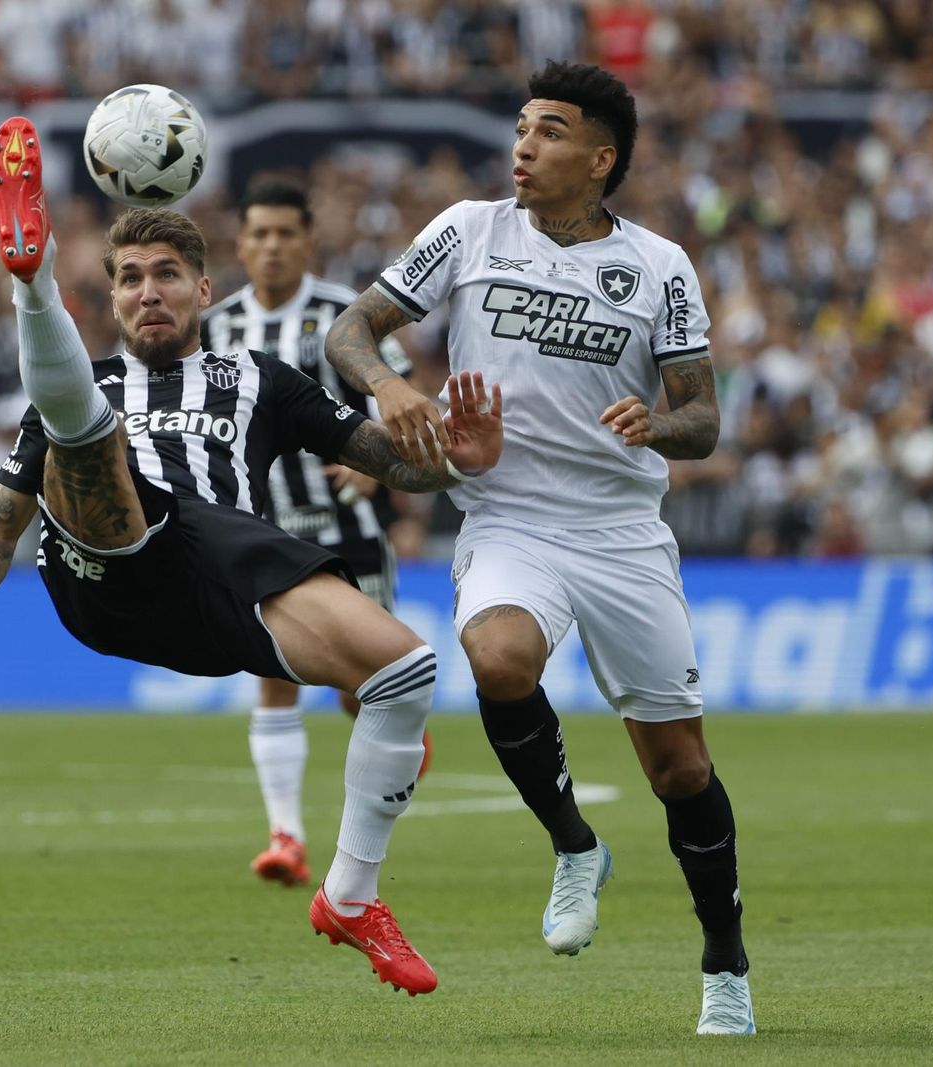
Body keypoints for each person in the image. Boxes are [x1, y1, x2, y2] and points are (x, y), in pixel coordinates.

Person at [0, 118, 504, 996]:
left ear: (205, 287)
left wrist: (454, 457)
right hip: (108, 575)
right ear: (110, 299)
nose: (147, 293)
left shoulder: (264, 381)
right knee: (85, 436)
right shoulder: (94, 383)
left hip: (225, 589)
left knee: (407, 670)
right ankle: (33, 284)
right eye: (129, 279)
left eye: (166, 275)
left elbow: (392, 462)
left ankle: (352, 895)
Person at [325, 61, 756, 1034]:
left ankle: (724, 963)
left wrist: (658, 422)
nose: (524, 144)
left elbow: (703, 420)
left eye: (550, 131)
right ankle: (572, 843)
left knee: (679, 770)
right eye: (521, 127)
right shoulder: (468, 230)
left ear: (600, 159)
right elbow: (350, 330)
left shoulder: (659, 265)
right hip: (507, 517)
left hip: (619, 533)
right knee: (497, 655)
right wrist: (391, 389)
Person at [203, 180, 432, 889]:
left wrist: (378, 473)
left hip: (348, 526)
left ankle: (381, 779)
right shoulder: (212, 328)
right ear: (241, 244)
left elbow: (400, 403)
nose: (271, 246)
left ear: (309, 241)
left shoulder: (345, 316)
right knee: (272, 676)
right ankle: (287, 837)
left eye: (285, 233)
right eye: (259, 233)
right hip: (260, 528)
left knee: (363, 690)